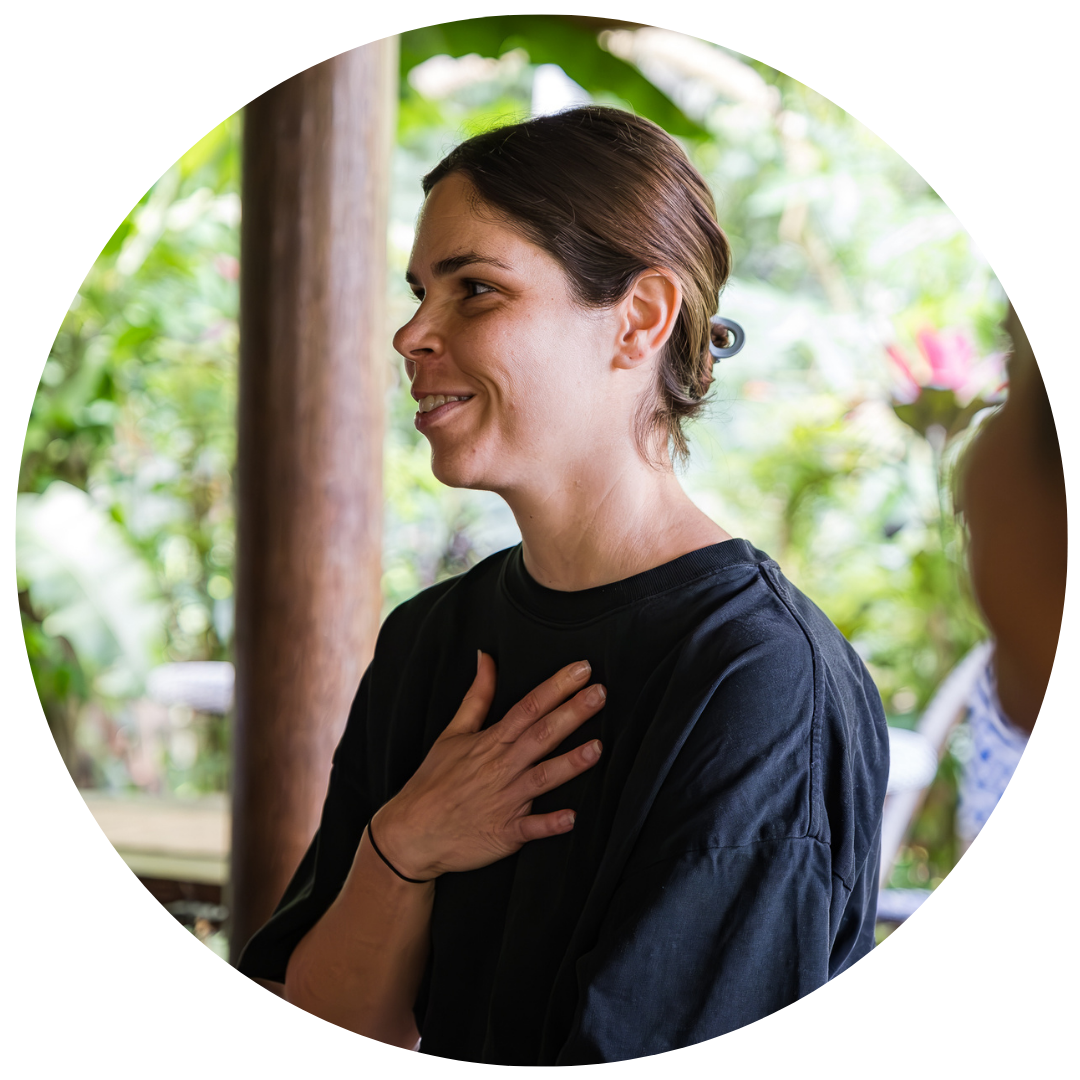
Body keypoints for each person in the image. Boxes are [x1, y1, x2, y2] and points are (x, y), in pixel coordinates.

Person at [236, 106, 890, 1064]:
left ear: (639, 319)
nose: (410, 334)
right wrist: (404, 845)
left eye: (476, 290)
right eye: (418, 292)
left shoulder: (759, 677)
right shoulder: (428, 637)